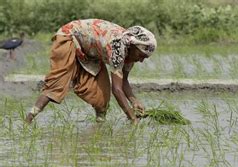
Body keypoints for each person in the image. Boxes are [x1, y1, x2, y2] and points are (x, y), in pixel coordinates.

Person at [25, 19, 156, 125]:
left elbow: (123, 81)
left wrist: (134, 101)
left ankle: (99, 128)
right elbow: (117, 89)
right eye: (141, 55)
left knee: (101, 96)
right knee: (58, 84)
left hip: (90, 52)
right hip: (69, 37)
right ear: (133, 46)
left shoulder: (130, 55)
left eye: (145, 58)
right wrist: (132, 118)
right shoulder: (118, 48)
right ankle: (29, 118)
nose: (141, 60)